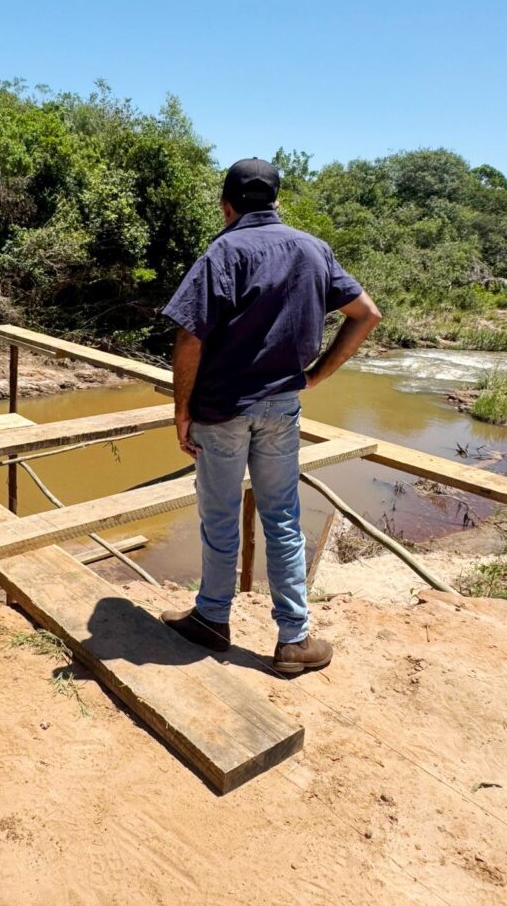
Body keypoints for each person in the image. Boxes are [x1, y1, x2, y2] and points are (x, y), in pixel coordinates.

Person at [160, 158, 381, 673]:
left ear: (226, 205)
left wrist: (181, 410)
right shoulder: (313, 249)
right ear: (277, 201)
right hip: (282, 406)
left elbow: (190, 335)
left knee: (219, 518)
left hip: (222, 410)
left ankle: (212, 618)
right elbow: (366, 314)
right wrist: (318, 374)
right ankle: (294, 639)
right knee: (282, 516)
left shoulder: (224, 250)